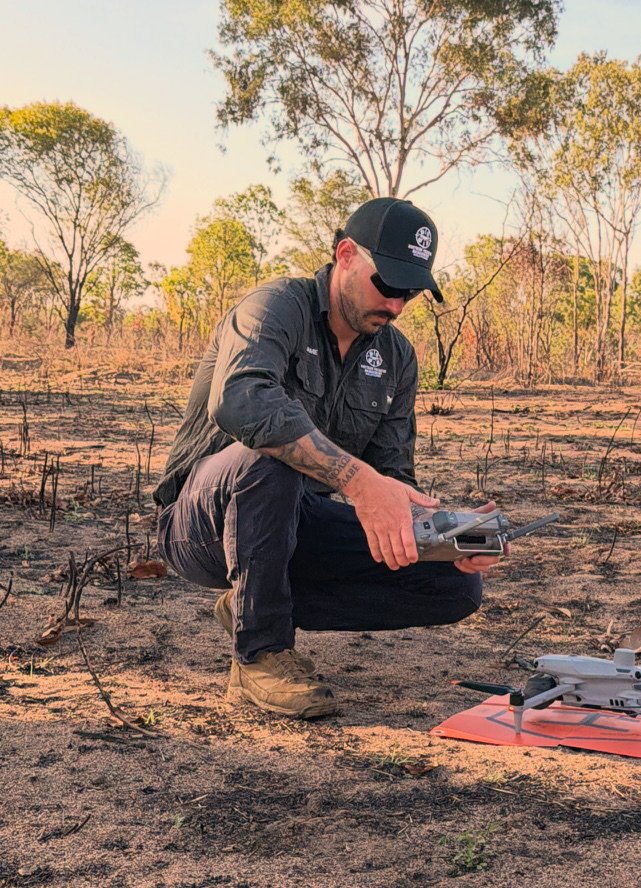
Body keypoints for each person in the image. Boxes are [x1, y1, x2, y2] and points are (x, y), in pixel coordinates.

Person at [153, 197, 500, 718]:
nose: (397, 306)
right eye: (387, 284)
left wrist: (443, 535)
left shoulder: (397, 357)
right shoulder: (275, 306)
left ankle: (251, 603)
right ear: (345, 254)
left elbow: (391, 478)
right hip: (202, 521)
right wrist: (356, 480)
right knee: (270, 457)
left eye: (410, 292)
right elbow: (241, 399)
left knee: (455, 584)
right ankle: (261, 653)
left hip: (294, 525)